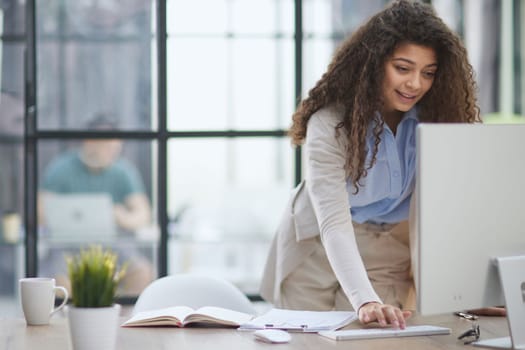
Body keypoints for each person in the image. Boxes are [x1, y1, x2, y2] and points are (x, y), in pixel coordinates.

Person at [260, 0, 481, 329]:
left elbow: (455, 213)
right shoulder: (330, 123)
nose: (415, 83)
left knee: (377, 338)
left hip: (387, 249)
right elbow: (333, 222)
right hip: (317, 248)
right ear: (374, 63)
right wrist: (363, 298)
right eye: (403, 68)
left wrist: (475, 292)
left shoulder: (438, 123)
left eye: (428, 73)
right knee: (308, 340)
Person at [38, 114, 154, 295]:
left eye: (116, 146)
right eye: (108, 146)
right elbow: (40, 212)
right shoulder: (61, 168)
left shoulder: (123, 171)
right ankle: (70, 321)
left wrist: (121, 216)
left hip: (112, 244)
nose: (113, 151)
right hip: (67, 244)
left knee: (141, 272)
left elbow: (143, 215)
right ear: (89, 142)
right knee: (58, 281)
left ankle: (124, 320)